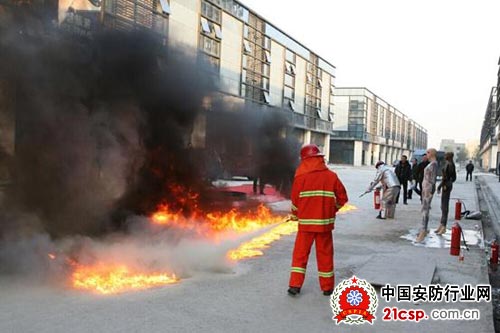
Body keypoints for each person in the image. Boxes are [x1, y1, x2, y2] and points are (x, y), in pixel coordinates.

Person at [288, 144, 348, 297]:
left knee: (300, 255)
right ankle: (327, 287)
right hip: (324, 225)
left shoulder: (300, 177)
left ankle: (295, 285)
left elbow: (295, 201)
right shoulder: (332, 176)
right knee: (325, 255)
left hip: (306, 225)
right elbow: (343, 198)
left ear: (305, 160)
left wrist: (295, 214)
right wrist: (331, 209)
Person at [416, 148, 438, 243]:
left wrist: (432, 189)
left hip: (428, 188)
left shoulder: (433, 164)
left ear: (431, 154)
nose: (427, 155)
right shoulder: (431, 164)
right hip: (425, 187)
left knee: (425, 209)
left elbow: (433, 178)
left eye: (428, 153)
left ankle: (423, 230)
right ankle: (423, 229)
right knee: (424, 209)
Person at [435, 152, 457, 235]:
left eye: (446, 155)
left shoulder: (450, 165)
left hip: (446, 186)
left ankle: (443, 226)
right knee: (443, 206)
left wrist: (441, 185)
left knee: (444, 206)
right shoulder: (448, 164)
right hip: (445, 185)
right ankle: (441, 224)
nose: (445, 156)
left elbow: (448, 177)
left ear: (449, 156)